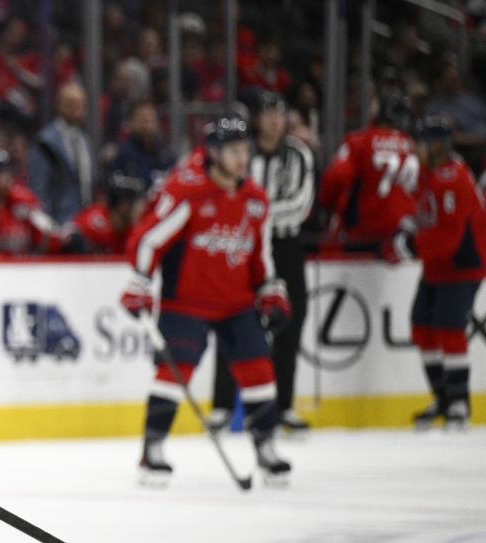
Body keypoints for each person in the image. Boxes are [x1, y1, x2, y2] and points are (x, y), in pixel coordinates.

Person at [120, 116, 292, 485]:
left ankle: (265, 447)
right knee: (173, 373)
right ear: (213, 153)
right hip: (186, 302)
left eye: (245, 149)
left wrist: (270, 292)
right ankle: (153, 450)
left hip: (237, 303)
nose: (242, 158)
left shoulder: (256, 200)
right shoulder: (187, 190)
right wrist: (139, 282)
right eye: (233, 151)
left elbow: (260, 257)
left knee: (259, 370)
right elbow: (149, 238)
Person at [209, 91, 316, 434]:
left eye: (280, 112)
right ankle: (222, 406)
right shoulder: (243, 153)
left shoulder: (298, 154)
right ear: (256, 119)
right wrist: (253, 217)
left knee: (289, 324)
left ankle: (283, 405)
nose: (274, 119)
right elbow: (228, 194)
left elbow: (300, 206)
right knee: (232, 320)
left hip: (285, 248)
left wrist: (257, 214)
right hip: (244, 246)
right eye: (267, 113)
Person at [388, 116, 486, 430]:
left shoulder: (451, 177)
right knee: (422, 329)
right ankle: (443, 399)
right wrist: (407, 230)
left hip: (462, 265)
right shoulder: (432, 174)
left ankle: (459, 403)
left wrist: (412, 246)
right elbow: (424, 214)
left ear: (436, 145)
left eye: (420, 143)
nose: (416, 149)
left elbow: (448, 235)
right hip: (439, 266)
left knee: (448, 330)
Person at [318, 91, 417, 249]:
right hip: (408, 236)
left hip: (364, 233)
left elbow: (336, 177)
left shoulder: (360, 141)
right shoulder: (416, 147)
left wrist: (326, 205)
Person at [27, 82, 94, 224]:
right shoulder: (45, 142)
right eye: (70, 103)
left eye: (80, 104)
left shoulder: (84, 140)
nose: (76, 108)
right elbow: (38, 189)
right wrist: (47, 224)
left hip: (82, 221)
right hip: (58, 221)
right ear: (58, 105)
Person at [70, 171, 147, 255]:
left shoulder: (139, 229)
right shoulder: (91, 223)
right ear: (123, 207)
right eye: (138, 204)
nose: (142, 209)